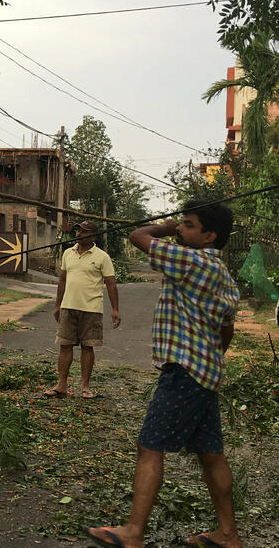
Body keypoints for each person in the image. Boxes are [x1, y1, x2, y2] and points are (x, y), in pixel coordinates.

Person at [87, 201, 242, 548]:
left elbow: (138, 236)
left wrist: (168, 226)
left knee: (150, 447)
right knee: (211, 453)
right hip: (206, 373)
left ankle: (133, 532)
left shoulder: (190, 261)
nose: (182, 230)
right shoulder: (223, 274)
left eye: (190, 225)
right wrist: (209, 356)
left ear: (209, 236)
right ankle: (228, 535)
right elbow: (226, 332)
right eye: (182, 224)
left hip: (184, 372)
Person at [47, 220, 120, 399]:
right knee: (65, 345)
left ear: (93, 236)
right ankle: (61, 385)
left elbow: (110, 283)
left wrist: (115, 309)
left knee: (88, 347)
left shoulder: (102, 257)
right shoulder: (67, 253)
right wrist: (58, 304)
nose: (78, 234)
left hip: (91, 309)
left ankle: (85, 387)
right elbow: (62, 280)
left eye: (84, 231)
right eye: (78, 230)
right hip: (68, 307)